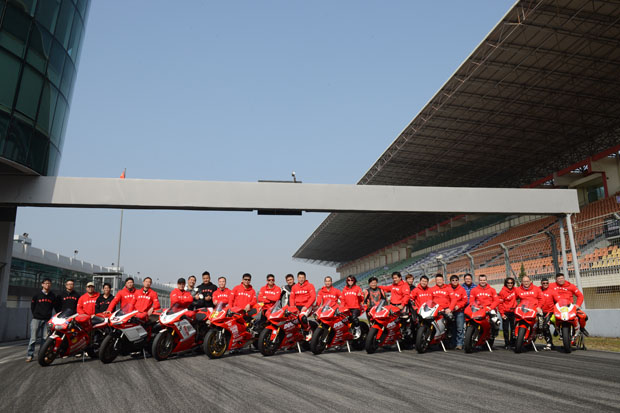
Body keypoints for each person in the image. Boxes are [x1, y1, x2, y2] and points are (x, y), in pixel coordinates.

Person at [27, 278, 57, 362]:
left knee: (45, 339)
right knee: (33, 338)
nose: (48, 285)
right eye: (46, 283)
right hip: (36, 319)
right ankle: (30, 355)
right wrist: (36, 315)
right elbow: (32, 306)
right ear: (42, 284)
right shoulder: (37, 295)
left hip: (47, 319)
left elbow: (55, 306)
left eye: (49, 283)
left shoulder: (52, 295)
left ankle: (42, 354)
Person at [290, 271, 316, 340]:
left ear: (305, 278)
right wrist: (292, 307)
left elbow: (313, 297)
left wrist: (306, 306)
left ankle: (307, 331)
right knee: (290, 318)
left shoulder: (310, 286)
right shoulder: (294, 287)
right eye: (300, 277)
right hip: (297, 306)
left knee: (302, 317)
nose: (301, 279)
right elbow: (292, 298)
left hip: (307, 306)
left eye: (302, 277)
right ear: (297, 278)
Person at [449, 275, 468, 350]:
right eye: (453, 280)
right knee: (451, 328)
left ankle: (459, 343)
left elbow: (465, 300)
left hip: (459, 311)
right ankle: (452, 343)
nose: (454, 282)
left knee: (460, 328)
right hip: (450, 311)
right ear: (450, 281)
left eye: (456, 280)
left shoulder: (462, 289)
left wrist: (458, 306)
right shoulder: (448, 288)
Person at [498, 277, 517, 349]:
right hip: (505, 312)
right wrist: (502, 314)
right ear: (506, 283)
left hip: (513, 312)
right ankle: (507, 343)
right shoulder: (502, 292)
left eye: (511, 283)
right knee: (505, 329)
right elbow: (500, 304)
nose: (510, 284)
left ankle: (513, 343)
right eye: (508, 283)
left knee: (513, 328)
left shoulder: (515, 290)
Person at [540, 278, 555, 350]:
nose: (545, 284)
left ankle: (549, 343)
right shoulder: (538, 290)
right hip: (540, 311)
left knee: (545, 326)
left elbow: (558, 300)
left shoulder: (552, 291)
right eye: (544, 283)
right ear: (541, 284)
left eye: (547, 283)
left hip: (550, 311)